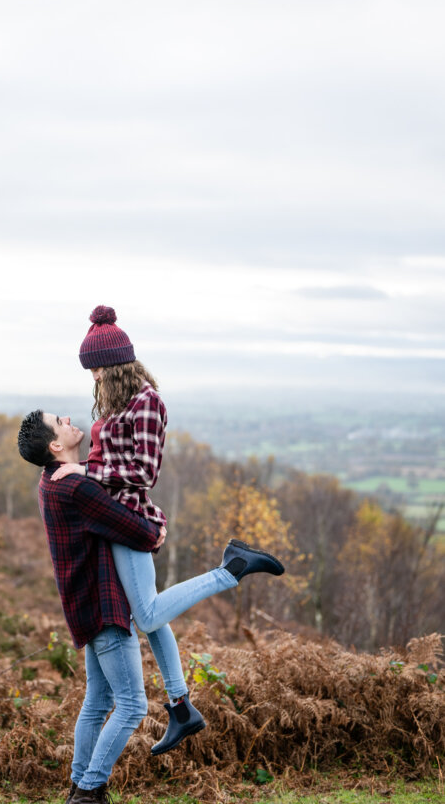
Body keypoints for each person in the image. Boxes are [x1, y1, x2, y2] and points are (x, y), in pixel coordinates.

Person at [17, 408, 283, 804]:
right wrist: (155, 528)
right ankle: (87, 796)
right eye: (59, 420)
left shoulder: (55, 481)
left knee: (98, 703)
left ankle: (81, 793)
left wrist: (88, 472)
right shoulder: (76, 490)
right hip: (104, 607)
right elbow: (135, 529)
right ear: (55, 445)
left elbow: (101, 489)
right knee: (131, 704)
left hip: (85, 604)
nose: (68, 419)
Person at [48, 305, 285, 754]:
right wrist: (85, 474)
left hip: (131, 522)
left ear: (115, 364)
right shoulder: (117, 402)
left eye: (97, 368)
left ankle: (231, 568)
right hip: (113, 521)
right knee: (151, 614)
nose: (93, 377)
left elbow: (144, 470)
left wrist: (86, 473)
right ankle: (180, 708)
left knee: (149, 615)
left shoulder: (148, 402)